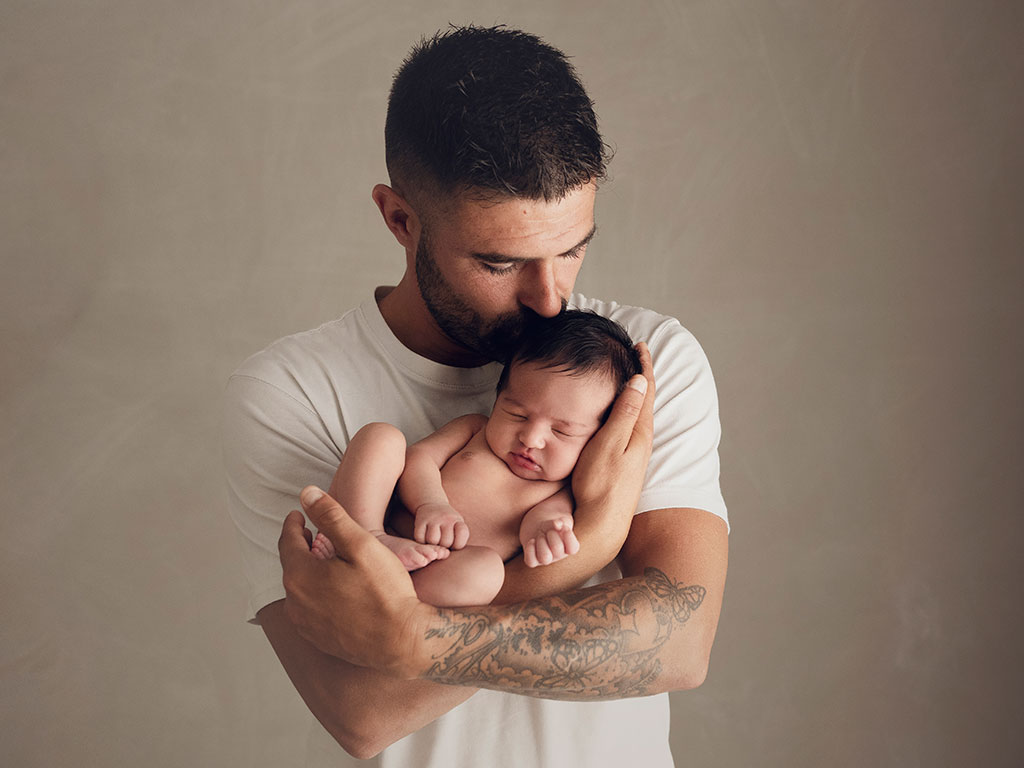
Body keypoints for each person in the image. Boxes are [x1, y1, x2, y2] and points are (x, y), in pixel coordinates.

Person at [223, 24, 729, 767]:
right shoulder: (291, 390)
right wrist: (595, 536)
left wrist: (407, 636)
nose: (552, 301)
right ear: (400, 219)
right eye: (500, 261)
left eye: (572, 247)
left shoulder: (640, 368)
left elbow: (679, 645)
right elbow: (363, 714)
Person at [309, 311, 643, 608]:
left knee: (487, 572)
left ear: (599, 437)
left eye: (563, 432)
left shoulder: (559, 489)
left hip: (439, 570)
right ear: (498, 397)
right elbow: (420, 458)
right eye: (516, 413)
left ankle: (390, 594)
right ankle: (363, 538)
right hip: (387, 525)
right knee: (381, 437)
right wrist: (431, 504)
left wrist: (547, 534)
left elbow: (540, 523)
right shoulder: (475, 430)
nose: (531, 438)